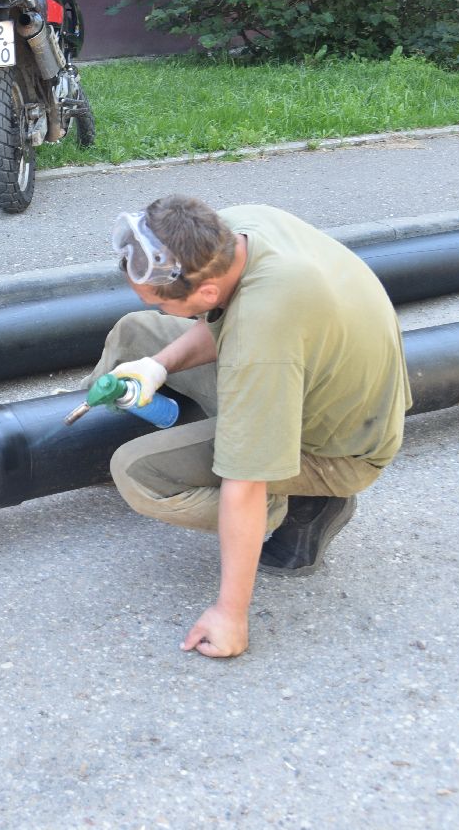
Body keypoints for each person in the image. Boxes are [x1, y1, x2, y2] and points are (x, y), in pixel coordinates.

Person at [84, 196, 410, 658]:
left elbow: (244, 481)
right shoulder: (234, 231)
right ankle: (207, 434)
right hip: (311, 378)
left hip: (336, 447)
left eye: (159, 298)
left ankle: (298, 505)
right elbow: (222, 323)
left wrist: (229, 615)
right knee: (134, 333)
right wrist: (155, 367)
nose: (154, 304)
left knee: (138, 473)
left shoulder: (262, 335)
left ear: (208, 295)